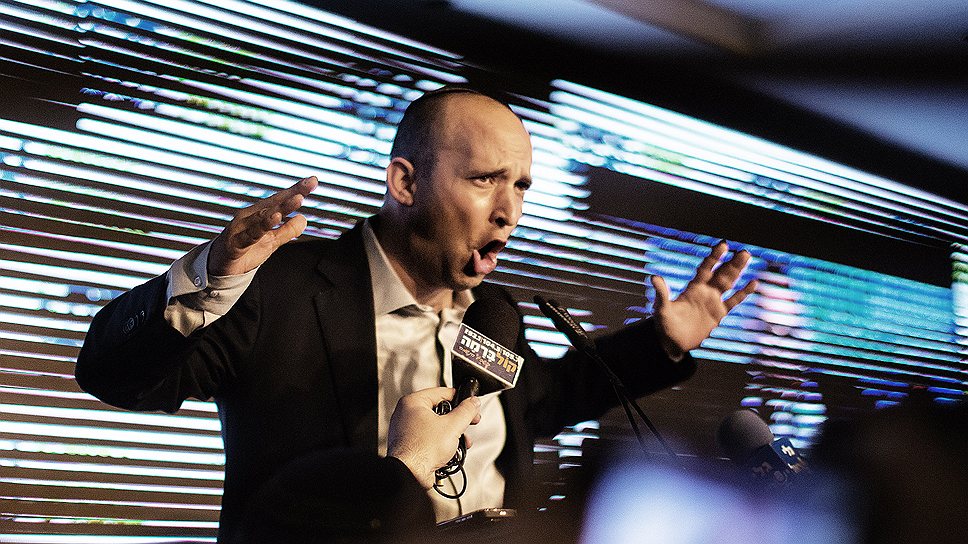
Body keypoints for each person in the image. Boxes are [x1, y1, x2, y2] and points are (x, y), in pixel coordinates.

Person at [75, 87, 757, 542]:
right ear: (405, 182)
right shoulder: (282, 285)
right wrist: (209, 276)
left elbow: (542, 400)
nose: (509, 212)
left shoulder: (494, 312)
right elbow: (114, 377)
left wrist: (663, 339)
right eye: (485, 179)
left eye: (521, 186)